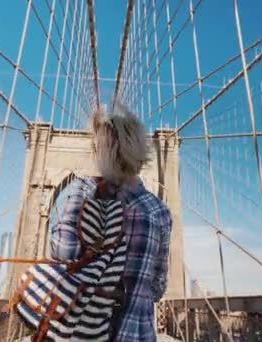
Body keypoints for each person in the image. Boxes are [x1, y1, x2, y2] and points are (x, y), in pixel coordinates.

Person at [49, 104, 172, 341]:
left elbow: (63, 252)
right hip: (137, 334)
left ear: (103, 153)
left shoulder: (84, 191)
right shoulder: (160, 212)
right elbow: (157, 288)